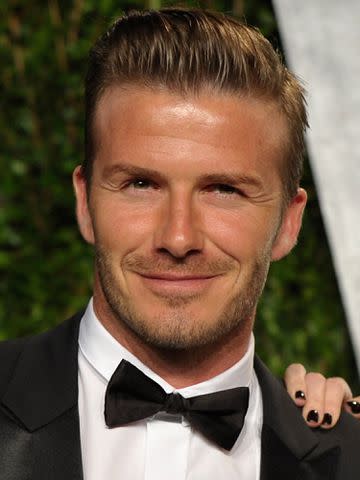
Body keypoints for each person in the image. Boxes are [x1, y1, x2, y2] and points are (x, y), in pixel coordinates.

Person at [0, 8, 359, 480]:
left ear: (288, 224)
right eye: (141, 184)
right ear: (85, 203)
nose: (178, 238)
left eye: (224, 190)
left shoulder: (346, 455)